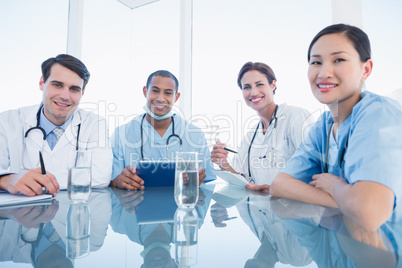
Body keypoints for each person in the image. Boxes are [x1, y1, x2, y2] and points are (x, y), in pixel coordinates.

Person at [248, 24, 402, 231]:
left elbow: (370, 212)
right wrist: (349, 201)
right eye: (316, 62)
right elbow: (280, 185)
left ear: (365, 69)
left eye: (339, 59)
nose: (323, 72)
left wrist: (335, 186)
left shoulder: (379, 114)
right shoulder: (324, 126)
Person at [0, 54, 113, 196]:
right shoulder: (7, 121)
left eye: (74, 89)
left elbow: (101, 176)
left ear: (82, 92)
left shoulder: (94, 123)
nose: (65, 96)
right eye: (57, 85)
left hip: (72, 213)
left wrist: (38, 179)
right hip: (20, 215)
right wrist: (6, 180)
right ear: (42, 83)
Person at [211, 62, 314, 185]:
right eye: (247, 87)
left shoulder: (296, 117)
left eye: (259, 84)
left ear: (273, 85)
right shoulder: (251, 137)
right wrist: (223, 163)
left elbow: (314, 167)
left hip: (296, 203)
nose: (253, 92)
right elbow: (243, 182)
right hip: (263, 203)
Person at [110, 70, 215, 190]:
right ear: (145, 92)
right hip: (133, 206)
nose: (161, 98)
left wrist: (198, 180)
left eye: (168, 93)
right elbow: (110, 182)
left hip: (182, 205)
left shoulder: (195, 135)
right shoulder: (121, 134)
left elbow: (207, 183)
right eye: (155, 91)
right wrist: (117, 181)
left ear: (176, 97)